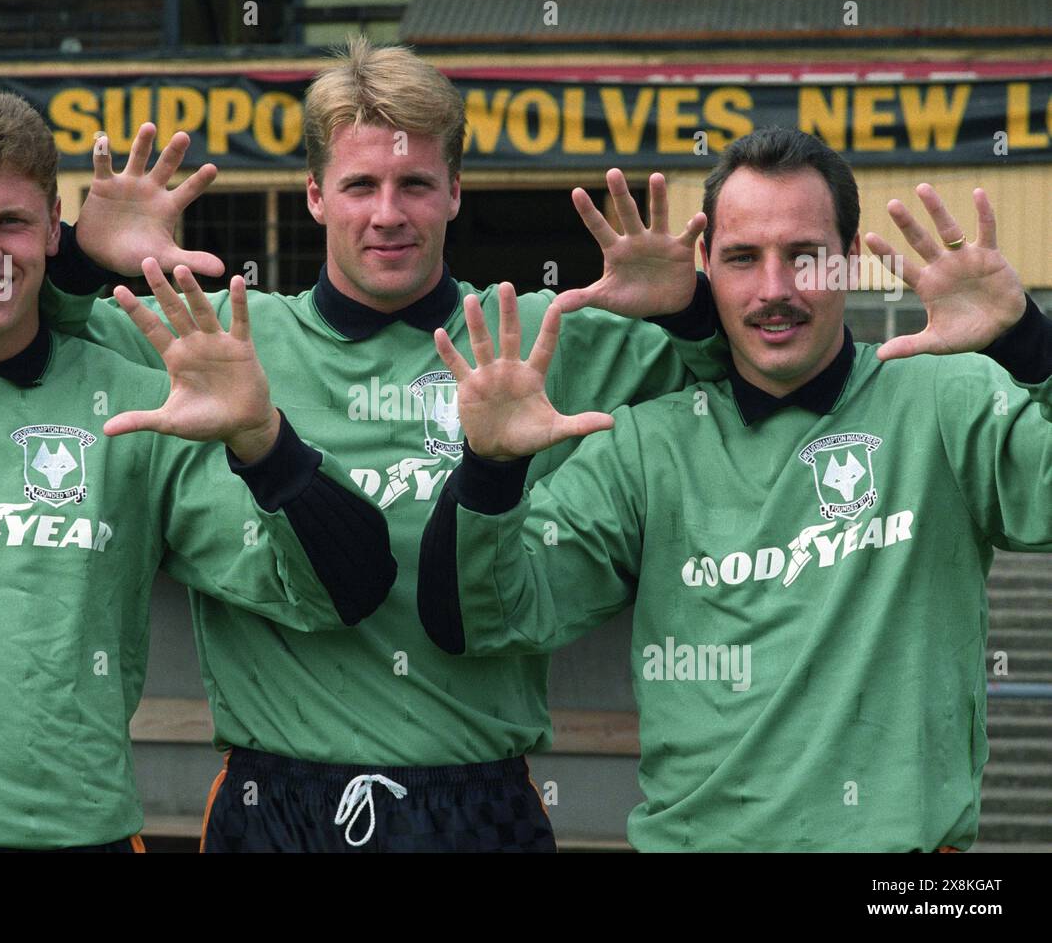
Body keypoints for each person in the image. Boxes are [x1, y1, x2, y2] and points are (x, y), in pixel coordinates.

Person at [41, 37, 730, 851]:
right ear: (314, 196)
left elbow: (738, 381)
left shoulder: (545, 336)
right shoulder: (217, 338)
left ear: (456, 194)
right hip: (278, 804)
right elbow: (43, 345)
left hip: (476, 801)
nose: (388, 212)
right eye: (360, 184)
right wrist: (83, 259)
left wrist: (689, 309)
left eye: (415, 184)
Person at [0, 87, 393, 852]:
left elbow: (340, 593)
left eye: (11, 223)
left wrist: (264, 438)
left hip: (75, 836)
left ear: (55, 230)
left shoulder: (141, 407)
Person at [418, 126, 1051, 851]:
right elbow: (479, 617)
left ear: (849, 265)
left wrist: (1029, 341)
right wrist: (490, 470)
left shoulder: (948, 400)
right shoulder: (647, 445)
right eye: (743, 259)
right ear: (707, 271)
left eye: (805, 257)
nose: (774, 290)